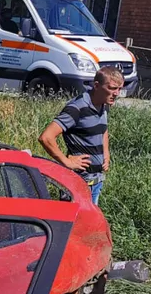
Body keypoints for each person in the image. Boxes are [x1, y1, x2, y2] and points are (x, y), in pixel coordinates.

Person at [39, 67, 125, 205]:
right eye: (112, 88)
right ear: (96, 86)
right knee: (74, 225)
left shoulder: (104, 104)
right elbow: (46, 137)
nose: (117, 93)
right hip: (78, 184)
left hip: (96, 181)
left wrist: (106, 153)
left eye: (120, 89)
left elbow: (103, 129)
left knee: (90, 225)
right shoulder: (77, 108)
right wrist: (66, 162)